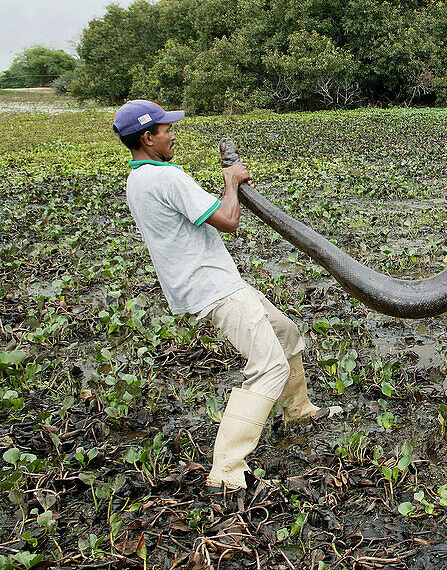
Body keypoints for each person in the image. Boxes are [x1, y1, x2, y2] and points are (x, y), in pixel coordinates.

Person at [112, 100, 341, 491]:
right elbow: (229, 220)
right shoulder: (167, 179)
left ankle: (298, 410)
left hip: (213, 282)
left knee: (285, 332)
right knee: (269, 367)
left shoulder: (139, 178)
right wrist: (231, 182)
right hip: (214, 287)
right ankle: (227, 469)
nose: (172, 134)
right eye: (166, 129)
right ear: (148, 138)